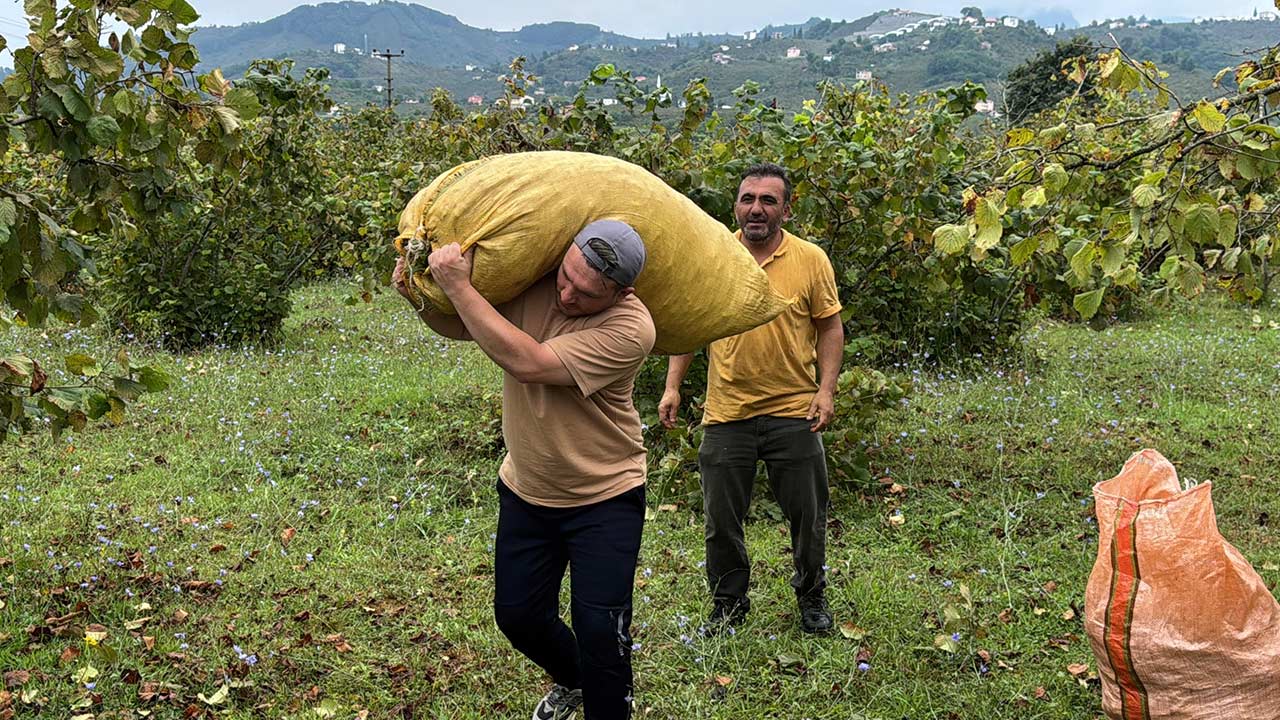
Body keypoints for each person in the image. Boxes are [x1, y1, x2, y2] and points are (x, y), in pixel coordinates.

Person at [395, 220, 655, 720]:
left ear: (621, 293)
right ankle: (574, 679)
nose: (566, 294)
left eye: (584, 293)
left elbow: (530, 363)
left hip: (604, 495)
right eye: (565, 276)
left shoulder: (632, 328)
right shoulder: (536, 281)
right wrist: (420, 293)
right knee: (517, 617)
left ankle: (607, 702)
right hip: (527, 488)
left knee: (602, 629)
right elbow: (461, 324)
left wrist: (459, 286)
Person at [658, 163, 843, 635]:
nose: (756, 209)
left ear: (786, 207)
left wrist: (825, 390)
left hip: (793, 412)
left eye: (767, 200)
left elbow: (828, 326)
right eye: (748, 199)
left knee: (808, 517)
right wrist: (673, 384)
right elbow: (691, 325)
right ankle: (729, 606)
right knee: (721, 522)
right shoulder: (715, 256)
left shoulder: (810, 259)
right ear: (735, 204)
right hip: (726, 414)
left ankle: (812, 599)